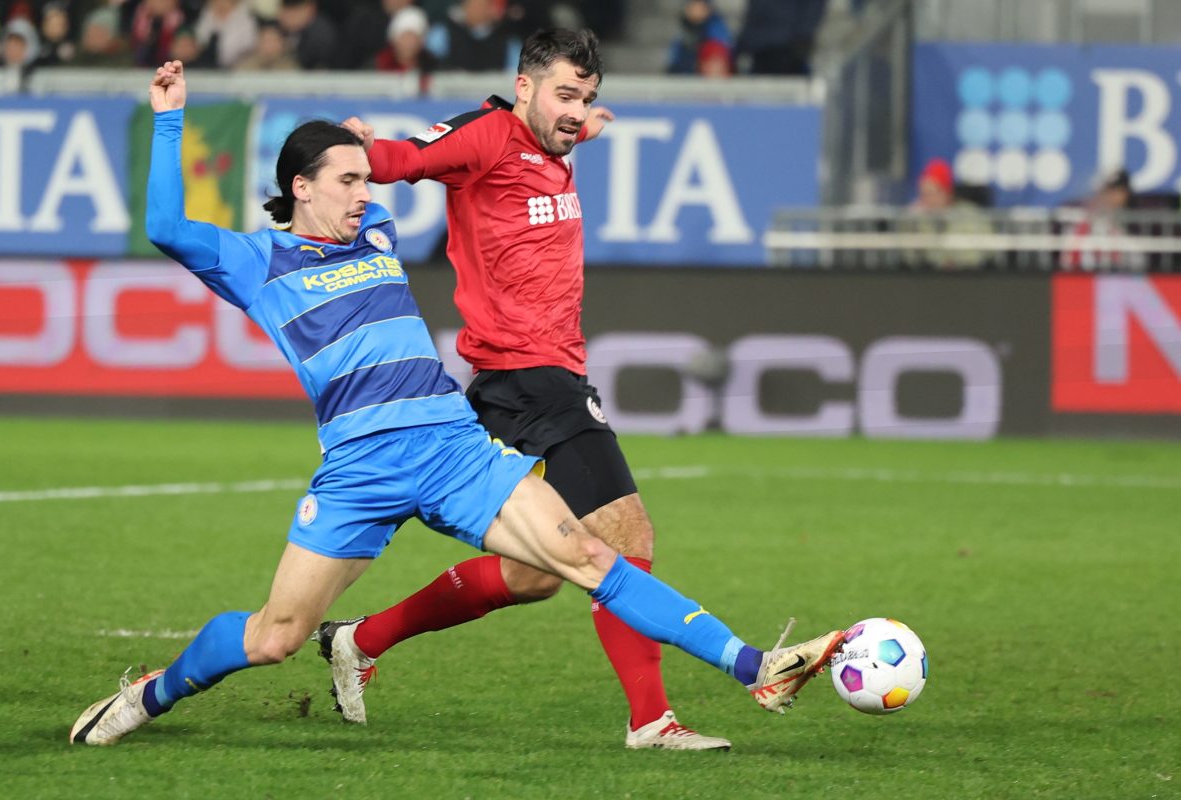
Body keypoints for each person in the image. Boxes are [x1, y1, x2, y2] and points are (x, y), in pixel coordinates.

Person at [68, 59, 845, 747]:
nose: (363, 193)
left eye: (365, 180)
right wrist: (170, 119)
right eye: (346, 179)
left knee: (586, 555)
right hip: (360, 468)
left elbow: (452, 170)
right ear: (299, 188)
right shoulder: (254, 259)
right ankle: (150, 695)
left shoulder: (374, 225)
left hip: (451, 445)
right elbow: (165, 225)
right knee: (275, 636)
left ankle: (756, 665)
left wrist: (559, 129)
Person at [319, 28, 838, 751]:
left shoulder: (553, 139)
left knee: (535, 574)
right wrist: (357, 154)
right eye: (565, 94)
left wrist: (582, 124)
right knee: (628, 534)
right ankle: (655, 719)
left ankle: (360, 640)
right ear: (524, 87)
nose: (577, 111)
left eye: (588, 97)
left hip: (542, 377)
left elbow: (560, 130)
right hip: (526, 378)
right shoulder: (486, 136)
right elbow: (408, 158)